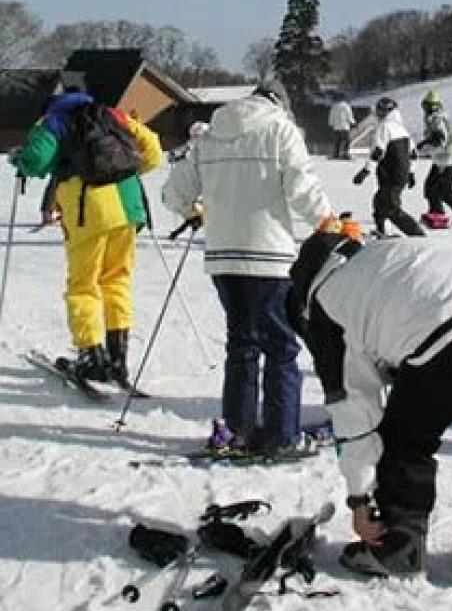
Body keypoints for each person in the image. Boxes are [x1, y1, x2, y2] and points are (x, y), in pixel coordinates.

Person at [288, 231, 452, 587]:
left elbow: (355, 413)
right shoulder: (382, 253)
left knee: (404, 437)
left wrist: (359, 500)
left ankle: (400, 548)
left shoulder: (326, 303)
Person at [162, 79, 360, 456]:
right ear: (280, 103)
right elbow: (302, 187)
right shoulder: (280, 130)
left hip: (223, 258)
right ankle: (282, 436)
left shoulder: (210, 135)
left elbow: (174, 193)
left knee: (242, 345)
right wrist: (329, 223)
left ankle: (238, 431)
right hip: (268, 257)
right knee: (281, 347)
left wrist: (194, 210)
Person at [10, 84, 163, 386]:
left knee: (84, 285)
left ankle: (91, 355)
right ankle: (118, 357)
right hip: (128, 207)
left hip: (87, 212)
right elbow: (154, 152)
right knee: (117, 279)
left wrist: (19, 160)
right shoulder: (112, 115)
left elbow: (37, 159)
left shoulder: (53, 120)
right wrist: (125, 172)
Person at [352, 96, 424, 237]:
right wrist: (411, 173)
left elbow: (378, 151)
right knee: (379, 201)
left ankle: (417, 234)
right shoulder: (401, 128)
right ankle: (381, 230)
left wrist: (365, 171)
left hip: (391, 174)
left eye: (380, 110)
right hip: (400, 173)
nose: (378, 113)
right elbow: (413, 153)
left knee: (391, 208)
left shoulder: (384, 127)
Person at [416, 88, 452, 226]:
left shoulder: (438, 119)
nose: (426, 109)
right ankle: (436, 213)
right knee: (430, 186)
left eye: (428, 106)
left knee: (444, 190)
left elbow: (440, 140)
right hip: (440, 158)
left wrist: (425, 144)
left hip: (450, 159)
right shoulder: (432, 119)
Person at [328, 93, 356, 161]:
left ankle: (336, 153)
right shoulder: (346, 106)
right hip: (344, 126)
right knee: (346, 141)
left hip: (336, 127)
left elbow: (331, 116)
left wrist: (331, 123)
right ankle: (345, 153)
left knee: (337, 141)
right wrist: (353, 122)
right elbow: (349, 115)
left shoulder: (334, 106)